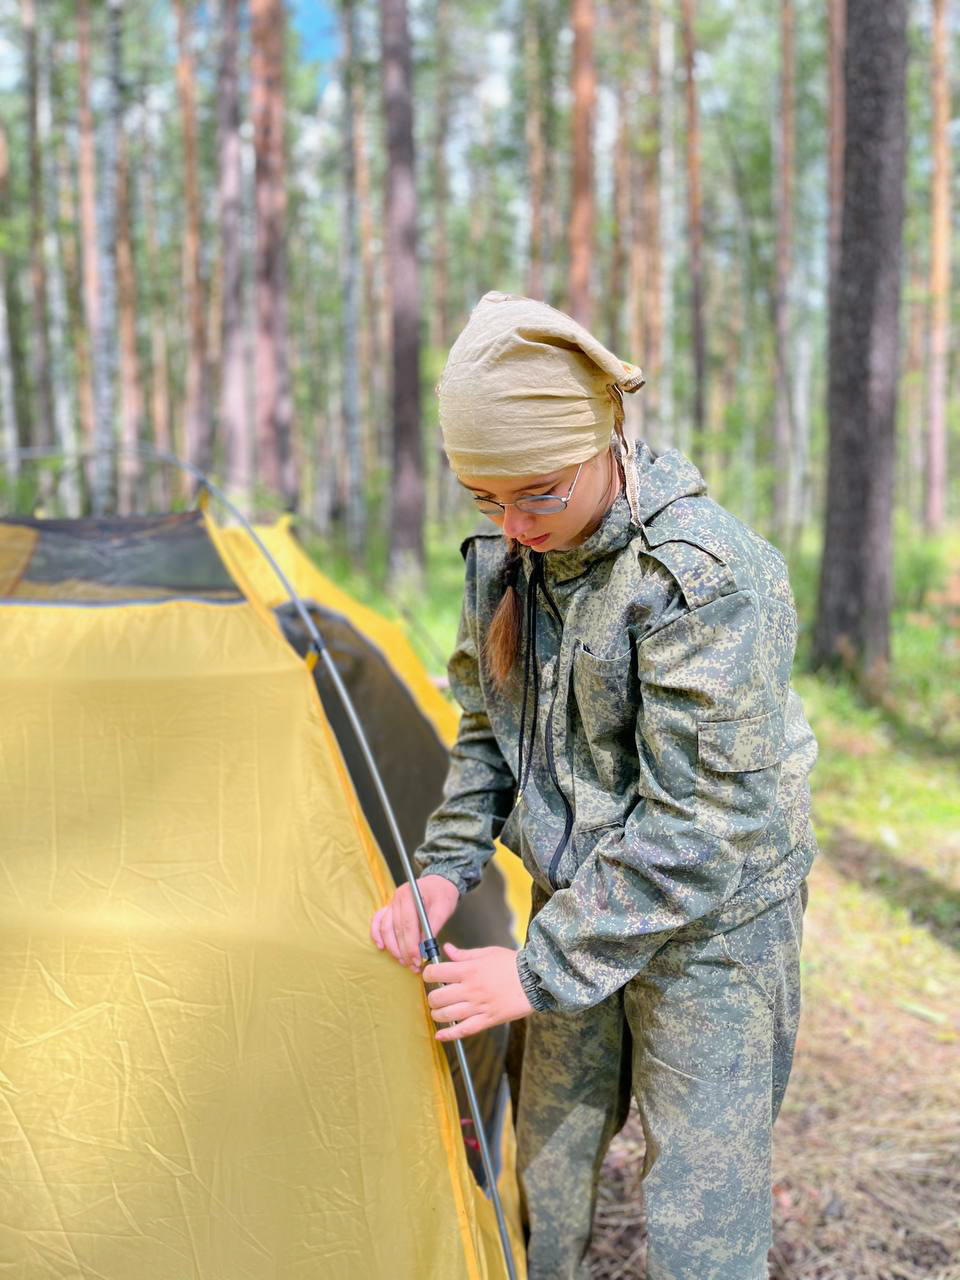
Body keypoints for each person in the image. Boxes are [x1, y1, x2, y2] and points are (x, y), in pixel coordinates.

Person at [370, 291, 818, 1280]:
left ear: (605, 438)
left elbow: (706, 826)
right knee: (551, 1161)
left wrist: (532, 969)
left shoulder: (704, 576)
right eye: (483, 496)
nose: (513, 523)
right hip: (578, 896)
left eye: (538, 491)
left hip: (714, 928)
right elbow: (490, 723)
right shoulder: (504, 556)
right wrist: (446, 866)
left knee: (703, 1201)